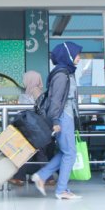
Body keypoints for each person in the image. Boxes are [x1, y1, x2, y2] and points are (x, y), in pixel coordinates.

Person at [30, 43, 83, 200]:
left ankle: (41, 176)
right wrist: (55, 120)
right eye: (77, 54)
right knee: (70, 153)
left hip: (65, 116)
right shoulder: (62, 74)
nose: (79, 57)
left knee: (66, 151)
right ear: (68, 55)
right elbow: (56, 100)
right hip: (62, 116)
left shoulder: (66, 72)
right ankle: (61, 190)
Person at [11, 71, 53, 186]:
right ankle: (22, 177)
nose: (24, 81)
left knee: (34, 152)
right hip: (33, 128)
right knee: (33, 152)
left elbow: (39, 110)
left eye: (25, 79)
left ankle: (46, 178)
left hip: (35, 128)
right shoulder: (32, 91)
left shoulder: (35, 92)